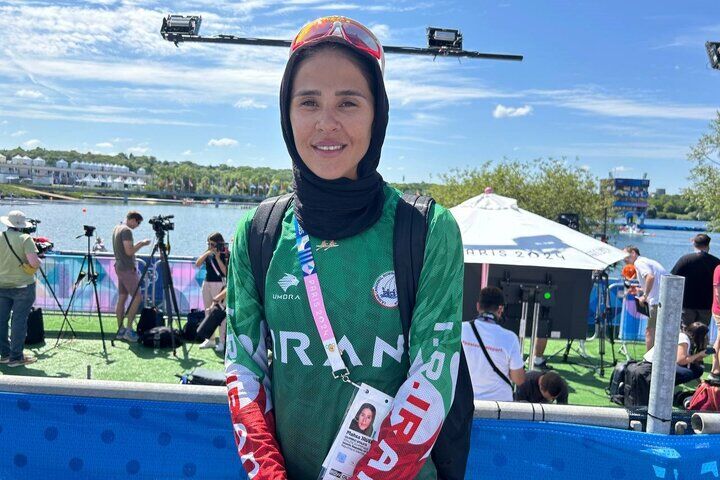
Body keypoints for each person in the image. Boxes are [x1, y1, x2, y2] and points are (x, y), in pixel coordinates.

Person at [224, 16, 463, 480]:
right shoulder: (257, 232)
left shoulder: (428, 229)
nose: (326, 123)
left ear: (378, 114)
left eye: (348, 102)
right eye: (308, 102)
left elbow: (433, 378)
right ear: (287, 114)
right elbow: (243, 371)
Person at [462, 286, 525, 401]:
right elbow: (519, 379)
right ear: (500, 309)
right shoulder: (510, 338)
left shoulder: (461, 329)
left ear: (478, 306)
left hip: (466, 401)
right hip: (500, 404)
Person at [0, 210, 41, 367]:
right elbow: (34, 263)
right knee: (19, 322)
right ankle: (16, 357)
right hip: (23, 286)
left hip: (1, 285)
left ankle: (4, 354)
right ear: (22, 226)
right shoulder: (25, 238)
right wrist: (39, 261)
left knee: (1, 321)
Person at [111, 211, 150, 343]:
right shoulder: (126, 230)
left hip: (119, 266)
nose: (137, 226)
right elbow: (129, 251)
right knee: (137, 297)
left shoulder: (117, 228)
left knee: (122, 298)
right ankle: (128, 330)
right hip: (127, 268)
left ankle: (120, 329)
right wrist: (142, 243)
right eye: (138, 223)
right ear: (132, 219)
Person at [623, 246, 668, 351]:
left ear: (633, 253)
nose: (624, 259)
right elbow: (655, 281)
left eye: (625, 256)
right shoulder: (646, 261)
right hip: (663, 299)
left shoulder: (639, 262)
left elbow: (650, 277)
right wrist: (640, 290)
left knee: (650, 331)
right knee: (657, 331)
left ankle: (649, 359)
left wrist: (645, 296)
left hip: (657, 301)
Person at [671, 234, 720, 327]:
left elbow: (673, 278)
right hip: (706, 304)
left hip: (687, 304)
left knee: (686, 330)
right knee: (702, 331)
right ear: (708, 245)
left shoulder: (685, 259)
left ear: (694, 244)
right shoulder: (716, 262)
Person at [643, 322, 709, 385]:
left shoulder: (685, 337)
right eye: (705, 335)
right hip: (652, 364)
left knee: (697, 370)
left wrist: (699, 356)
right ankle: (664, 387)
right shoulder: (684, 339)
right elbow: (681, 361)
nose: (706, 338)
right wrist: (699, 354)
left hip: (661, 363)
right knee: (687, 374)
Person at [195, 232, 228, 352]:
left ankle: (222, 341)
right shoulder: (208, 253)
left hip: (219, 285)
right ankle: (210, 339)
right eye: (208, 244)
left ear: (218, 243)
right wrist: (208, 252)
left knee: (219, 313)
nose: (210, 246)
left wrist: (218, 257)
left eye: (212, 244)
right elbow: (197, 264)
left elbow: (225, 272)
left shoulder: (225, 254)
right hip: (207, 283)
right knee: (208, 311)